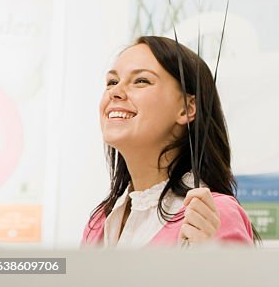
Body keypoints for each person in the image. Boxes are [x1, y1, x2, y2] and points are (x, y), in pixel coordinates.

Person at [82, 35, 257, 247]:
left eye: (141, 81)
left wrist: (210, 262)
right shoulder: (99, 222)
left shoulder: (212, 214)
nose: (115, 92)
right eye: (112, 82)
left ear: (186, 108)